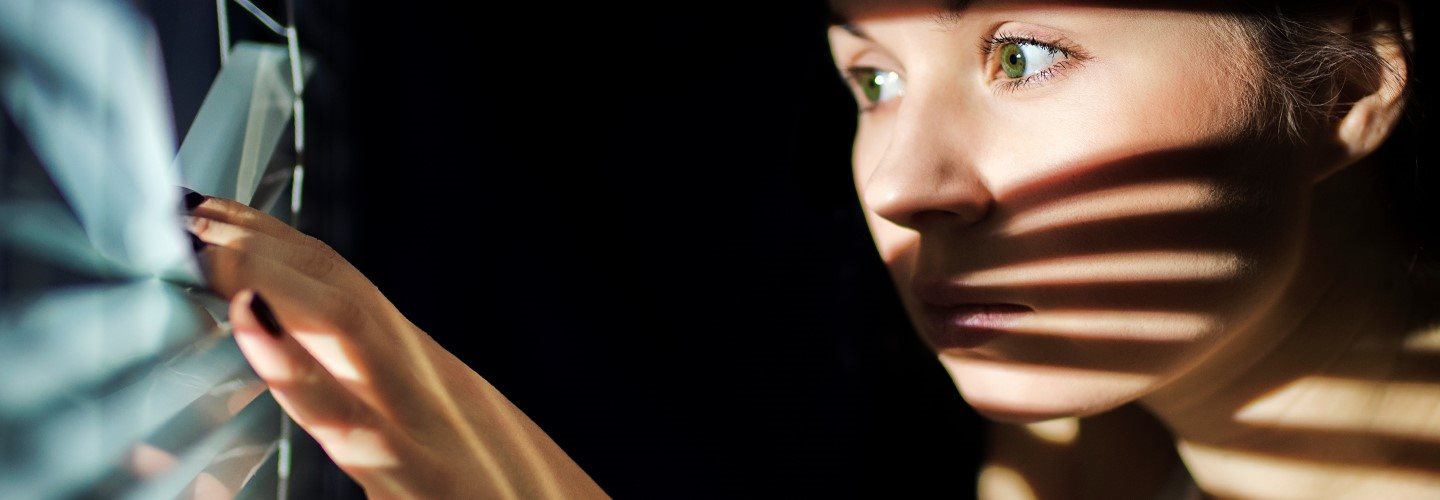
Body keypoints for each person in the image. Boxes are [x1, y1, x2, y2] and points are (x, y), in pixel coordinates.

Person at [184, 0, 1436, 497]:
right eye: (873, 79)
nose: (898, 185)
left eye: (1023, 55)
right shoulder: (1088, 433)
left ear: (1347, 84)